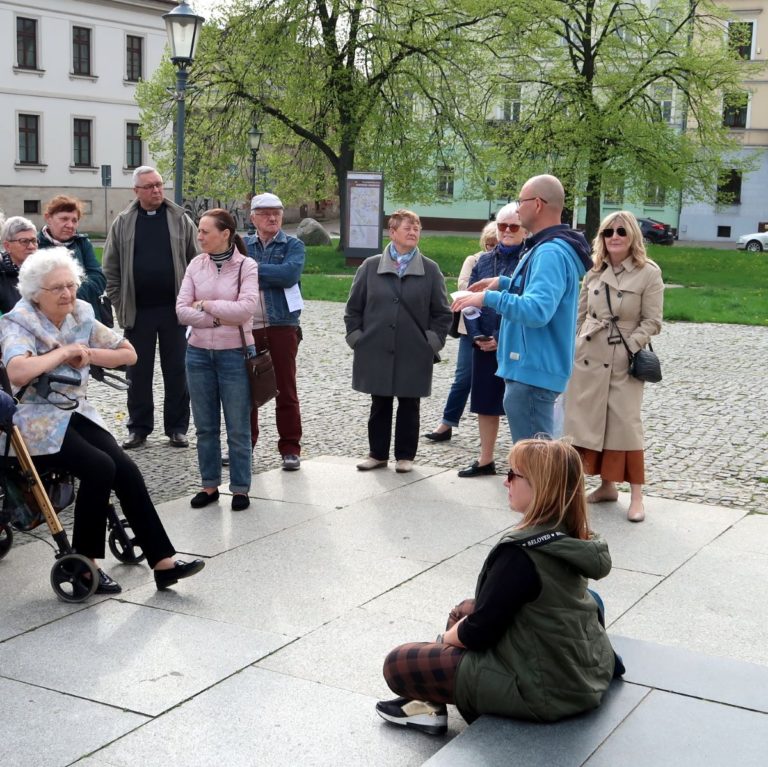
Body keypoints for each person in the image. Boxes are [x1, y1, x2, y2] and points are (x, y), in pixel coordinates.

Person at [376, 438, 622, 735]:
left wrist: (446, 638)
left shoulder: (521, 554)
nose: (505, 483)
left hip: (543, 690)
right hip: (575, 671)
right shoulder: (570, 533)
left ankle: (434, 703)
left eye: (512, 475)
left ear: (540, 486)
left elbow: (479, 632)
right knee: (463, 610)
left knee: (398, 663)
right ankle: (431, 703)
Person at [0, 248, 205, 593]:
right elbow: (17, 370)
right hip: (35, 421)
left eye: (71, 285)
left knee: (125, 468)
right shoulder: (17, 321)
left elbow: (129, 353)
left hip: (75, 411)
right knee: (99, 467)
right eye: (58, 288)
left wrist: (90, 354)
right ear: (36, 293)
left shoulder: (80, 313)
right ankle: (86, 563)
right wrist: (63, 353)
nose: (68, 293)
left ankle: (163, 562)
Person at [453, 175, 592, 442]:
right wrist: (502, 283)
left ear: (538, 204)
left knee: (535, 467)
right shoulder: (543, 247)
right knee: (534, 463)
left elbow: (537, 311)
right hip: (531, 370)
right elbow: (537, 292)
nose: (518, 209)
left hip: (533, 372)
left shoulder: (550, 252)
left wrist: (487, 299)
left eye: (521, 201)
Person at [563, 211, 664, 523]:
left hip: (623, 360)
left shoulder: (648, 272)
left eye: (621, 231)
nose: (615, 237)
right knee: (586, 423)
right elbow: (579, 316)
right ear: (601, 238)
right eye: (608, 232)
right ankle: (606, 487)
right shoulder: (594, 272)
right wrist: (579, 343)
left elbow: (653, 321)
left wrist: (629, 348)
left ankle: (636, 497)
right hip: (589, 357)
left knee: (625, 425)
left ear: (632, 235)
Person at [345, 209, 452, 473]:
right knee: (379, 402)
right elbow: (353, 308)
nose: (414, 232)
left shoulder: (430, 269)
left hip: (414, 349)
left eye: (417, 228)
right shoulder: (370, 266)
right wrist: (357, 338)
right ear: (392, 232)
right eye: (408, 228)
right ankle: (377, 454)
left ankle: (405, 456)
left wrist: (432, 342)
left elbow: (442, 313)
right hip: (376, 347)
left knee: (409, 403)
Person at [103, 166, 198, 450]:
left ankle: (177, 428)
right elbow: (111, 268)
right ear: (136, 191)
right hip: (139, 311)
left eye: (159, 185)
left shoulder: (180, 219)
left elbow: (197, 262)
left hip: (175, 310)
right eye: (149, 187)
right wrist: (120, 302)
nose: (156, 190)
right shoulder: (123, 222)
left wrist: (191, 302)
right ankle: (139, 428)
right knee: (137, 372)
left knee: (178, 370)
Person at [177, 209, 259, 512]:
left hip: (235, 355)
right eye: (198, 231)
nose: (199, 237)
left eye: (205, 232)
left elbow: (245, 310)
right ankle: (209, 485)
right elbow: (181, 310)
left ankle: (240, 489)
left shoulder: (246, 266)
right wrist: (212, 320)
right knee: (205, 426)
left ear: (225, 234)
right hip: (197, 353)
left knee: (238, 426)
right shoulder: (196, 264)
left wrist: (207, 305)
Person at [458, 205, 527, 477]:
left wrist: (501, 338)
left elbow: (526, 302)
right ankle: (485, 459)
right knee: (485, 404)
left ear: (524, 229)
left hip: (516, 344)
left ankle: (520, 465)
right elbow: (469, 300)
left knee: (517, 405)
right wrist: (477, 335)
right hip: (484, 342)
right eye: (502, 226)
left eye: (513, 226)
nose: (507, 231)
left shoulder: (528, 259)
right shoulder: (484, 261)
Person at [244, 193, 305, 472]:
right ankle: (245, 446)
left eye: (277, 213)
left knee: (285, 389)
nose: (272, 218)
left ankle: (290, 448)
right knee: (245, 392)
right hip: (246, 327)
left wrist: (251, 271)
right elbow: (232, 274)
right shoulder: (242, 245)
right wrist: (267, 272)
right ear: (253, 217)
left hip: (282, 325)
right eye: (266, 213)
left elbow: (288, 275)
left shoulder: (293, 245)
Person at [424, 221, 497, 443]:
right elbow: (465, 291)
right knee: (464, 378)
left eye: (496, 244)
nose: (492, 248)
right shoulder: (474, 260)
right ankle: (446, 423)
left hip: (501, 329)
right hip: (472, 330)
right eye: (489, 244)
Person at [37, 195, 106, 318]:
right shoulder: (36, 245)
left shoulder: (82, 243)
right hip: (47, 318)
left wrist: (70, 294)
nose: (70, 225)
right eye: (64, 219)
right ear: (48, 218)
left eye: (74, 220)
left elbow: (98, 278)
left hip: (84, 316)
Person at [1, 217, 38, 314]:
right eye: (24, 241)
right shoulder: (2, 274)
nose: (31, 246)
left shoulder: (45, 270)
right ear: (7, 246)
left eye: (34, 240)